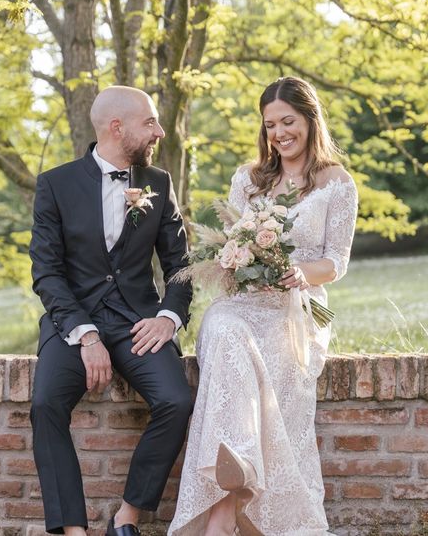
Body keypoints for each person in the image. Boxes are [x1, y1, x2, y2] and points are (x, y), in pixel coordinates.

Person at [169, 76, 358, 535]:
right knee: (225, 331)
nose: (279, 133)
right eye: (270, 124)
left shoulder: (338, 183)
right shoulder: (247, 179)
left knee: (273, 357)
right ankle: (229, 499)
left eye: (288, 121)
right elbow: (229, 247)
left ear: (311, 120)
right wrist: (240, 259)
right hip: (242, 301)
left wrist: (298, 274)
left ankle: (223, 511)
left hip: (303, 304)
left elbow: (337, 262)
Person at [29, 85, 194, 536]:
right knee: (45, 404)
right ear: (116, 127)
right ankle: (73, 530)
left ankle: (127, 518)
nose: (159, 131)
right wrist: (85, 335)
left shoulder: (157, 182)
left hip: (137, 322)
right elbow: (46, 272)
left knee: (177, 401)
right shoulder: (56, 185)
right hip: (74, 323)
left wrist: (168, 317)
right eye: (150, 123)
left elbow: (180, 266)